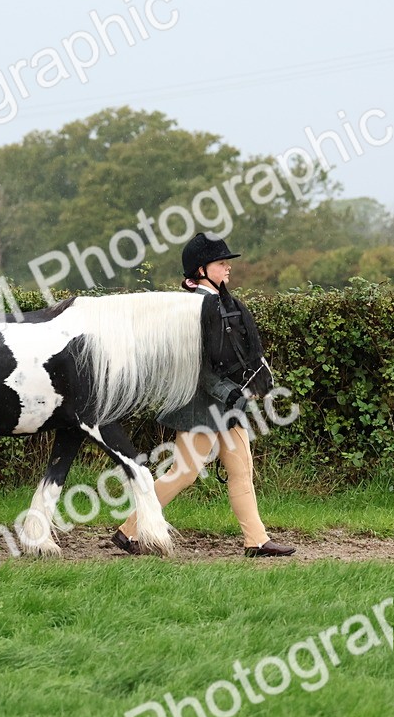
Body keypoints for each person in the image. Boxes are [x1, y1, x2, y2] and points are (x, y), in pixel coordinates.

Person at [111, 233, 295, 558]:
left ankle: (256, 540)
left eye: (227, 263)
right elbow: (199, 366)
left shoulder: (222, 302)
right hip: (201, 406)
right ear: (200, 269)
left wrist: (247, 384)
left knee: (241, 470)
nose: (228, 269)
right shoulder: (193, 307)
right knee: (184, 473)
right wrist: (231, 393)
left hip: (227, 404)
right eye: (221, 263)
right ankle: (129, 530)